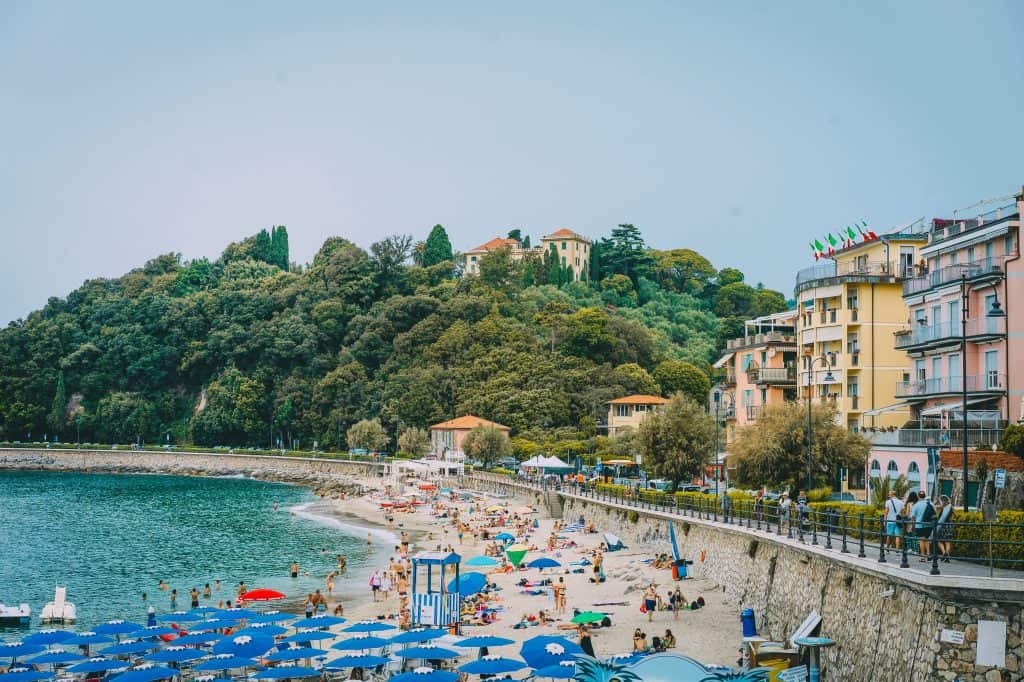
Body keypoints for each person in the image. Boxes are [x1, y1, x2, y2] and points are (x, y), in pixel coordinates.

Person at [911, 490, 936, 561]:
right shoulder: (930, 503)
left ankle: (923, 557)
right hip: (929, 525)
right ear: (925, 496)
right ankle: (928, 554)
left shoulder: (916, 505)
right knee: (927, 539)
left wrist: (913, 525)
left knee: (921, 540)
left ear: (918, 496)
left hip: (919, 525)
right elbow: (935, 513)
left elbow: (913, 516)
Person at [935, 494, 954, 563]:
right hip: (950, 525)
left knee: (939, 540)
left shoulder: (941, 508)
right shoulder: (950, 507)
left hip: (943, 526)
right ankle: (947, 556)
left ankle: (944, 553)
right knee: (947, 542)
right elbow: (955, 515)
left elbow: (938, 516)